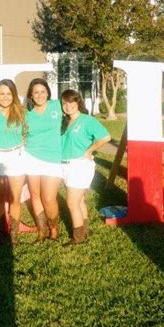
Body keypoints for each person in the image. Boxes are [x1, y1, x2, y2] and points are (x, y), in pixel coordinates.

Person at [61, 89, 111, 244]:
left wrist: (89, 150)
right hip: (64, 165)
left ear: (78, 102)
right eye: (64, 103)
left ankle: (77, 238)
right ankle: (84, 230)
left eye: (71, 102)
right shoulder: (64, 122)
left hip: (79, 165)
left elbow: (106, 137)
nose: (68, 106)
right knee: (80, 200)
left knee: (72, 202)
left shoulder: (87, 120)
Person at [0, 79, 27, 245]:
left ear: (14, 95)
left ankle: (14, 235)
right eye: (1, 93)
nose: (5, 97)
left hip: (16, 156)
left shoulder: (22, 113)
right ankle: (1, 232)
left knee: (15, 198)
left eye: (8, 93)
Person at [23, 78, 63, 242]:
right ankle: (42, 230)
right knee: (35, 195)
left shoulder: (58, 106)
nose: (39, 95)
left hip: (53, 158)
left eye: (42, 91)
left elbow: (77, 113)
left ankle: (54, 227)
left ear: (48, 92)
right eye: (36, 92)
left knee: (48, 198)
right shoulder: (27, 114)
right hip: (31, 156)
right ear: (31, 96)